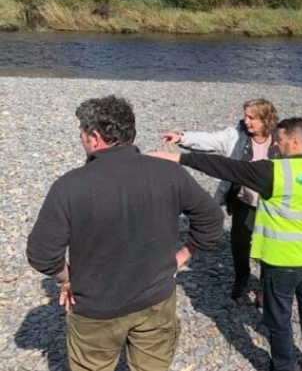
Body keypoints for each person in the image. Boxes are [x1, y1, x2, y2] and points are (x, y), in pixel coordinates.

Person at [26, 95, 225, 371]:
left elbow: (42, 255)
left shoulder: (69, 187)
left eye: (82, 132)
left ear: (95, 137)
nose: (80, 138)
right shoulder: (169, 173)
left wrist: (68, 278)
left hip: (96, 309)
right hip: (156, 301)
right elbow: (213, 219)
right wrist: (181, 257)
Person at [149, 117, 302, 371]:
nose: (275, 145)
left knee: (278, 317)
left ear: (294, 141)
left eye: (279, 140)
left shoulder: (275, 171)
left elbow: (227, 168)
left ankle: (282, 366)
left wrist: (179, 158)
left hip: (282, 259)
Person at [160, 98, 281, 299]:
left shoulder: (280, 140)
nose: (246, 121)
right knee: (239, 244)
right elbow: (211, 140)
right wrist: (182, 138)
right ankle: (242, 277)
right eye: (245, 116)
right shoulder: (237, 135)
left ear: (265, 119)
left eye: (251, 117)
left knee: (269, 246)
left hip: (270, 204)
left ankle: (264, 286)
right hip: (243, 201)